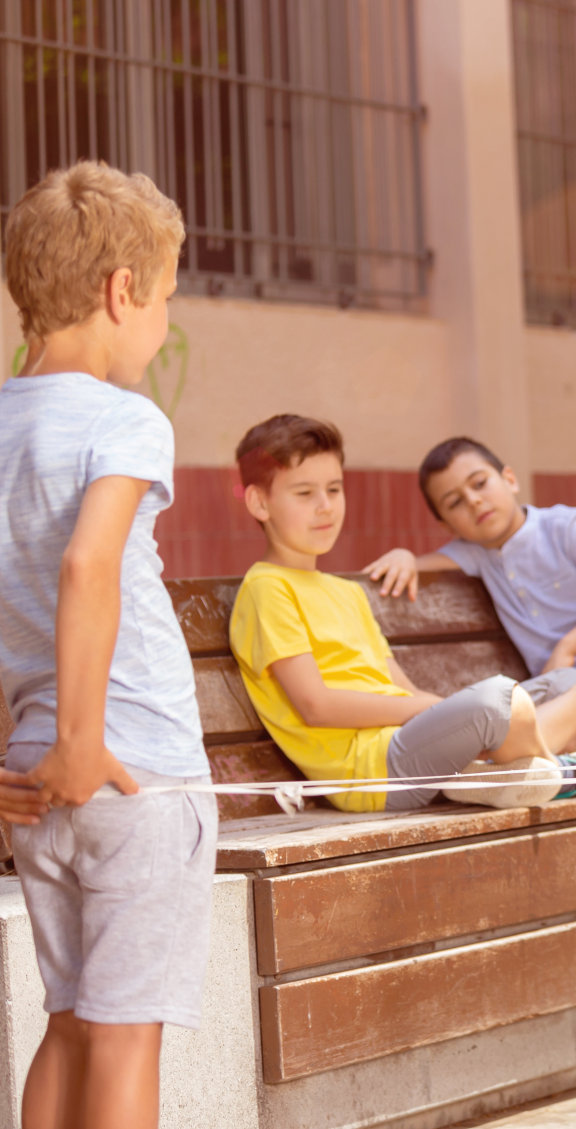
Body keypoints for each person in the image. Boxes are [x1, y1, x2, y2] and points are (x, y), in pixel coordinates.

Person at [0, 160, 208, 1129]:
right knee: (128, 1031)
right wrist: (83, 739)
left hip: (32, 779)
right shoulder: (127, 419)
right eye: (164, 299)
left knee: (73, 1020)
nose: (163, 321)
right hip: (132, 767)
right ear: (122, 291)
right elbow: (90, 566)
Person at [228, 415, 576, 813]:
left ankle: (512, 771)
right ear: (259, 502)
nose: (325, 507)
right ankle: (555, 769)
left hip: (411, 743)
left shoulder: (346, 593)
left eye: (334, 489)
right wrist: (432, 710)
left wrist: (437, 714)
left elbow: (401, 687)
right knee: (499, 702)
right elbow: (316, 706)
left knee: (575, 686)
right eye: (305, 493)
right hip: (372, 772)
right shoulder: (268, 588)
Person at [362, 437, 576, 763]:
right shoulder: (474, 554)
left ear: (509, 479)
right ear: (447, 525)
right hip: (573, 700)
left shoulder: (563, 526)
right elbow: (421, 565)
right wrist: (404, 555)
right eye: (454, 502)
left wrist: (568, 647)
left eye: (480, 483)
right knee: (540, 749)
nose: (474, 501)